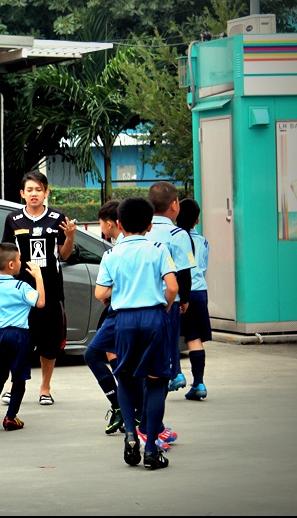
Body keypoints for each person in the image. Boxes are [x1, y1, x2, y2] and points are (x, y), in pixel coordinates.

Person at [94, 197, 178, 470]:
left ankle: (130, 434)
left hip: (124, 320)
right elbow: (172, 287)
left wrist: (118, 293)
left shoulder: (111, 255)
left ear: (119, 224)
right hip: (153, 317)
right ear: (150, 225)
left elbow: (100, 293)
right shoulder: (158, 249)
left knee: (126, 378)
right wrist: (164, 306)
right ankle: (151, 449)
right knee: (156, 383)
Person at [0, 170, 76, 406]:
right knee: (20, 339)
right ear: (22, 193)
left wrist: (70, 237)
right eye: (30, 190)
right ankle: (14, 385)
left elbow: (64, 254)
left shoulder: (57, 218)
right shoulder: (13, 219)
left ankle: (45, 388)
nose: (34, 194)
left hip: (50, 289)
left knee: (49, 341)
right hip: (20, 289)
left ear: (46, 192)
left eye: (38, 190)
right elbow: (5, 252)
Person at [138, 181, 192, 450]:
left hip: (138, 307)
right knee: (161, 370)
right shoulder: (178, 234)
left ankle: (152, 425)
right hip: (166, 306)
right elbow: (183, 273)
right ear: (174, 205)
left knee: (144, 367)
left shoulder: (141, 231)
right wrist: (184, 300)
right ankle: (151, 428)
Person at [0, 242, 45, 432]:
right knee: (19, 378)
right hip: (19, 335)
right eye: (18, 260)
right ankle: (10, 417)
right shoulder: (21, 286)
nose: (20, 262)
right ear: (11, 264)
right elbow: (40, 302)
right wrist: (38, 277)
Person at [83, 199, 132, 434]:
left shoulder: (115, 251)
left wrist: (110, 293)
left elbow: (102, 291)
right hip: (126, 311)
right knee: (109, 354)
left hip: (122, 311)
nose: (101, 229)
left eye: (101, 223)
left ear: (112, 224)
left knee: (94, 354)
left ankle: (124, 407)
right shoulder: (149, 247)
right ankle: (124, 407)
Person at [176, 198, 211, 401]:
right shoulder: (203, 241)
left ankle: (176, 374)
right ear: (197, 220)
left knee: (171, 334)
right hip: (200, 292)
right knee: (194, 337)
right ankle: (199, 383)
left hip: (180, 293)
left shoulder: (175, 238)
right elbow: (204, 268)